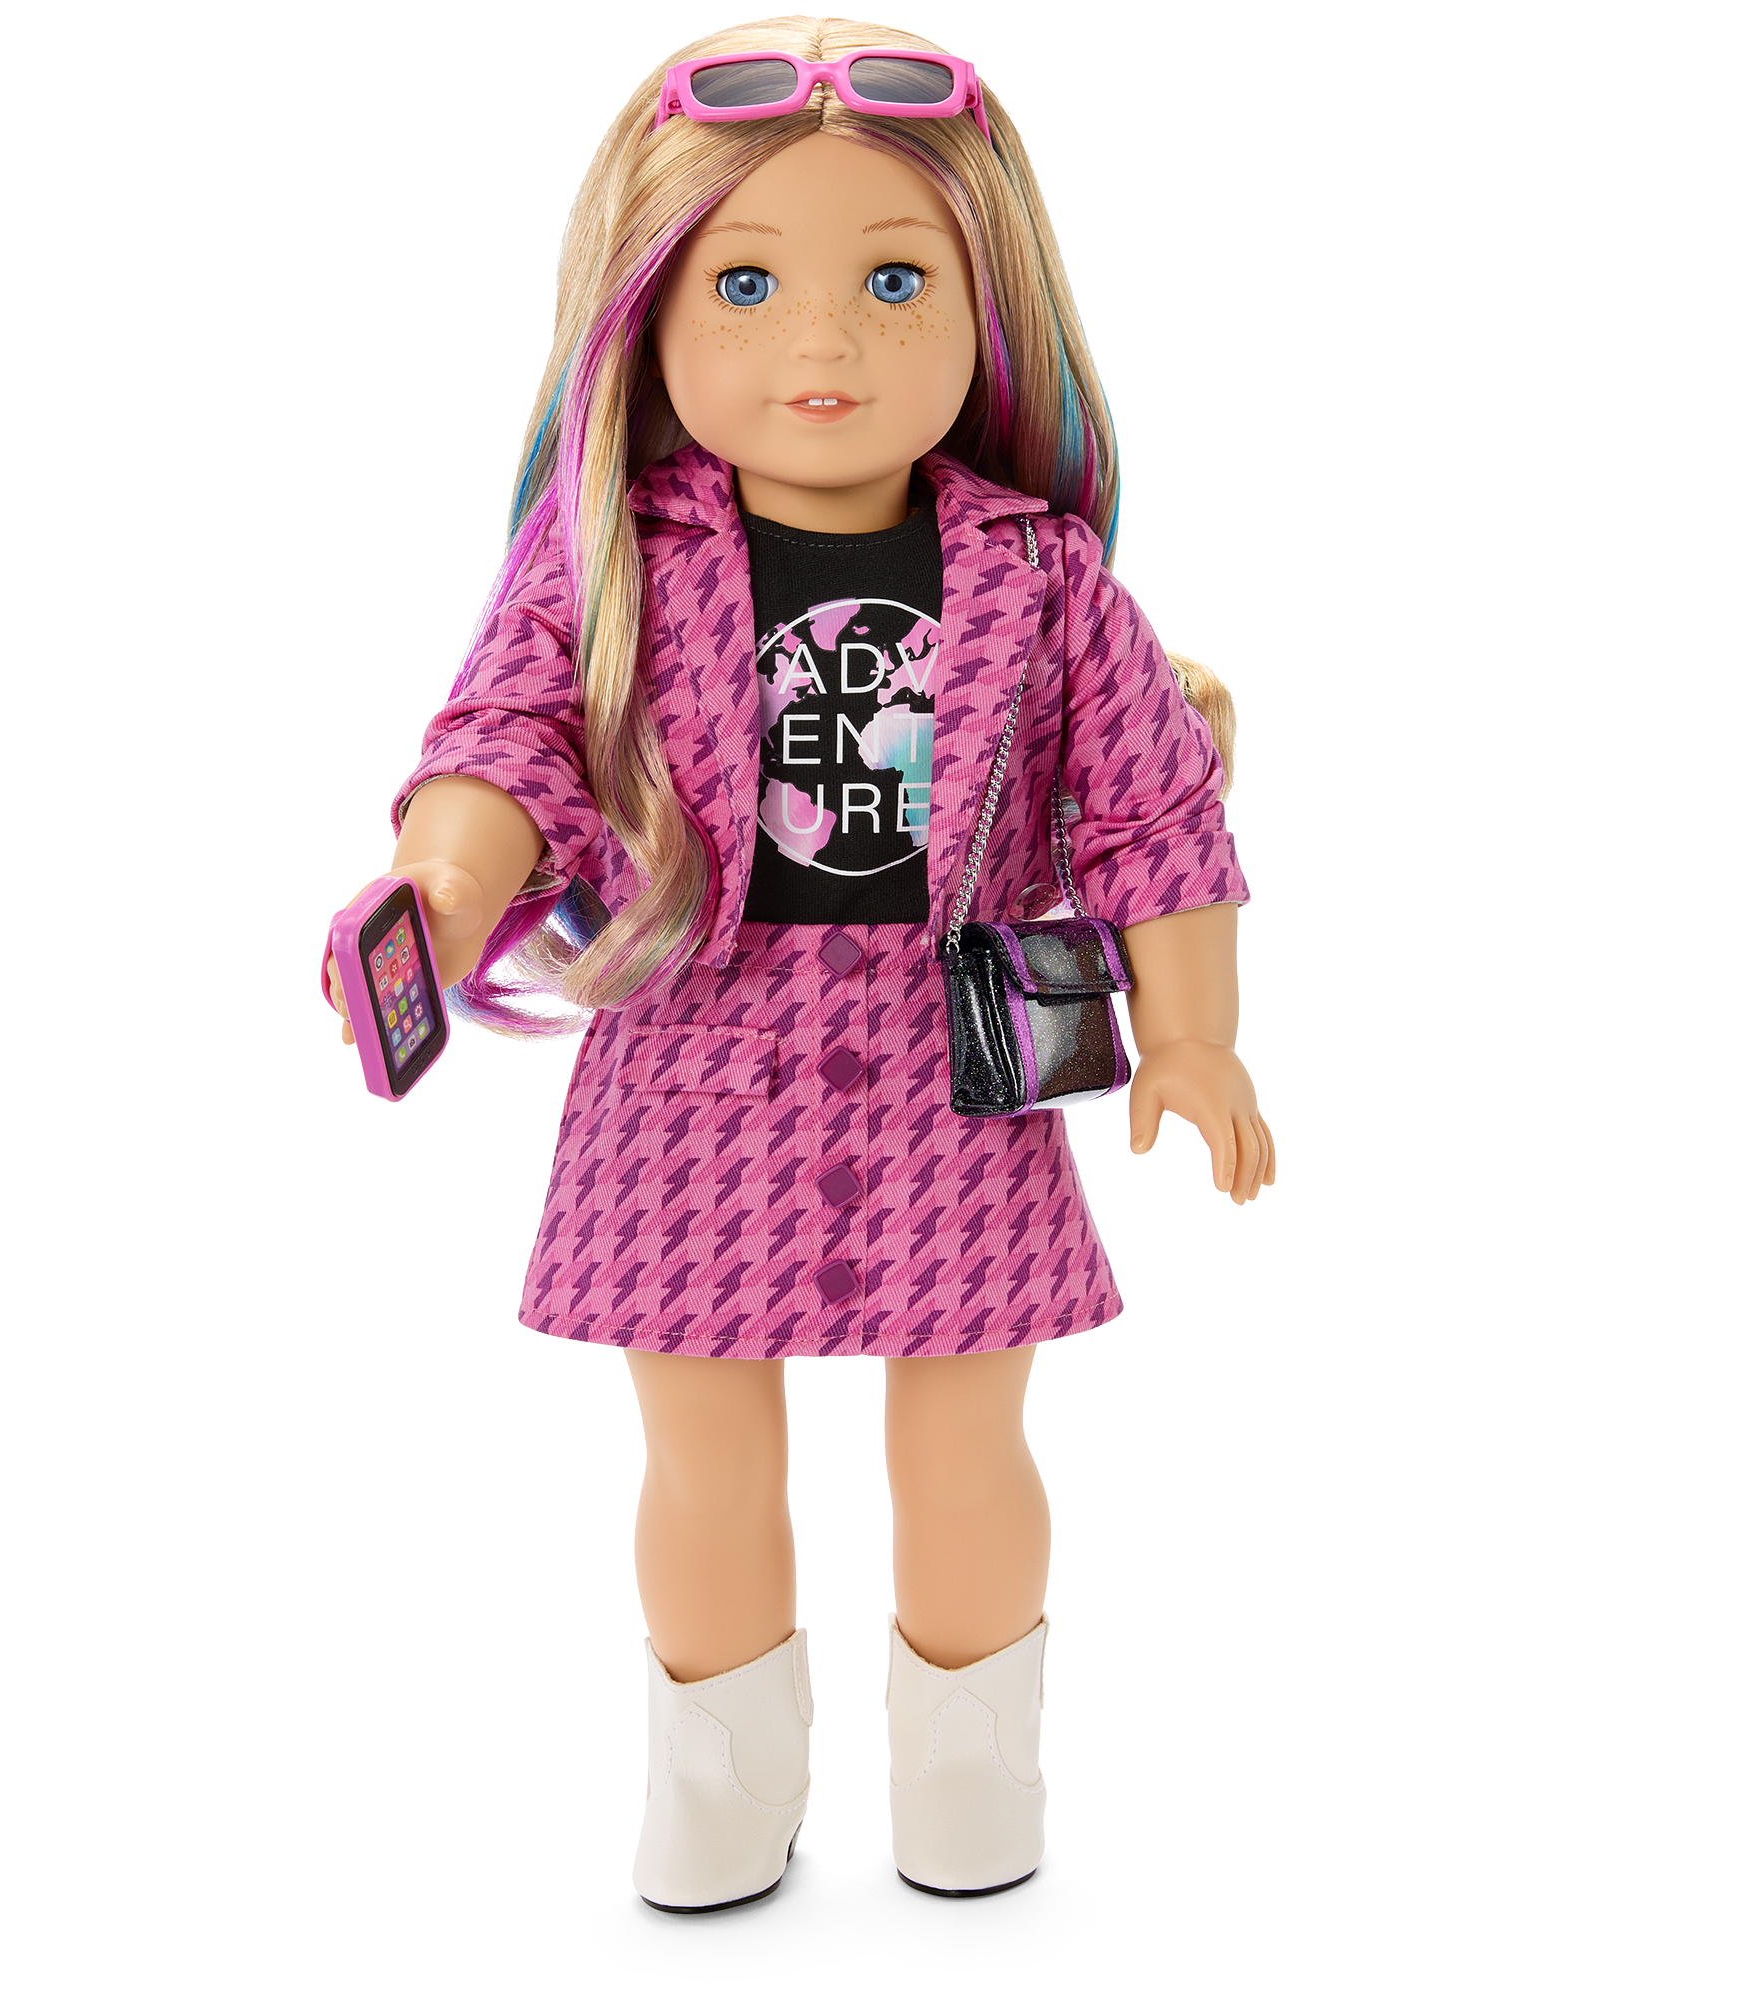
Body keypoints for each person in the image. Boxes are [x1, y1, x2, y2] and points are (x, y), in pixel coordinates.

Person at [326, 17, 1273, 1911]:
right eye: (746, 284)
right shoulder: (616, 563)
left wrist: (1195, 1035)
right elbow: (508, 744)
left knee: (968, 1447)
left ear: (989, 308)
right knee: (702, 1459)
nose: (821, 339)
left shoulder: (1042, 578)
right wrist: (442, 880)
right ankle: (716, 1821)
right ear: (645, 314)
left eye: (893, 280)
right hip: (694, 1053)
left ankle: (975, 1812)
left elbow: (1155, 811)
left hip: (955, 1066)